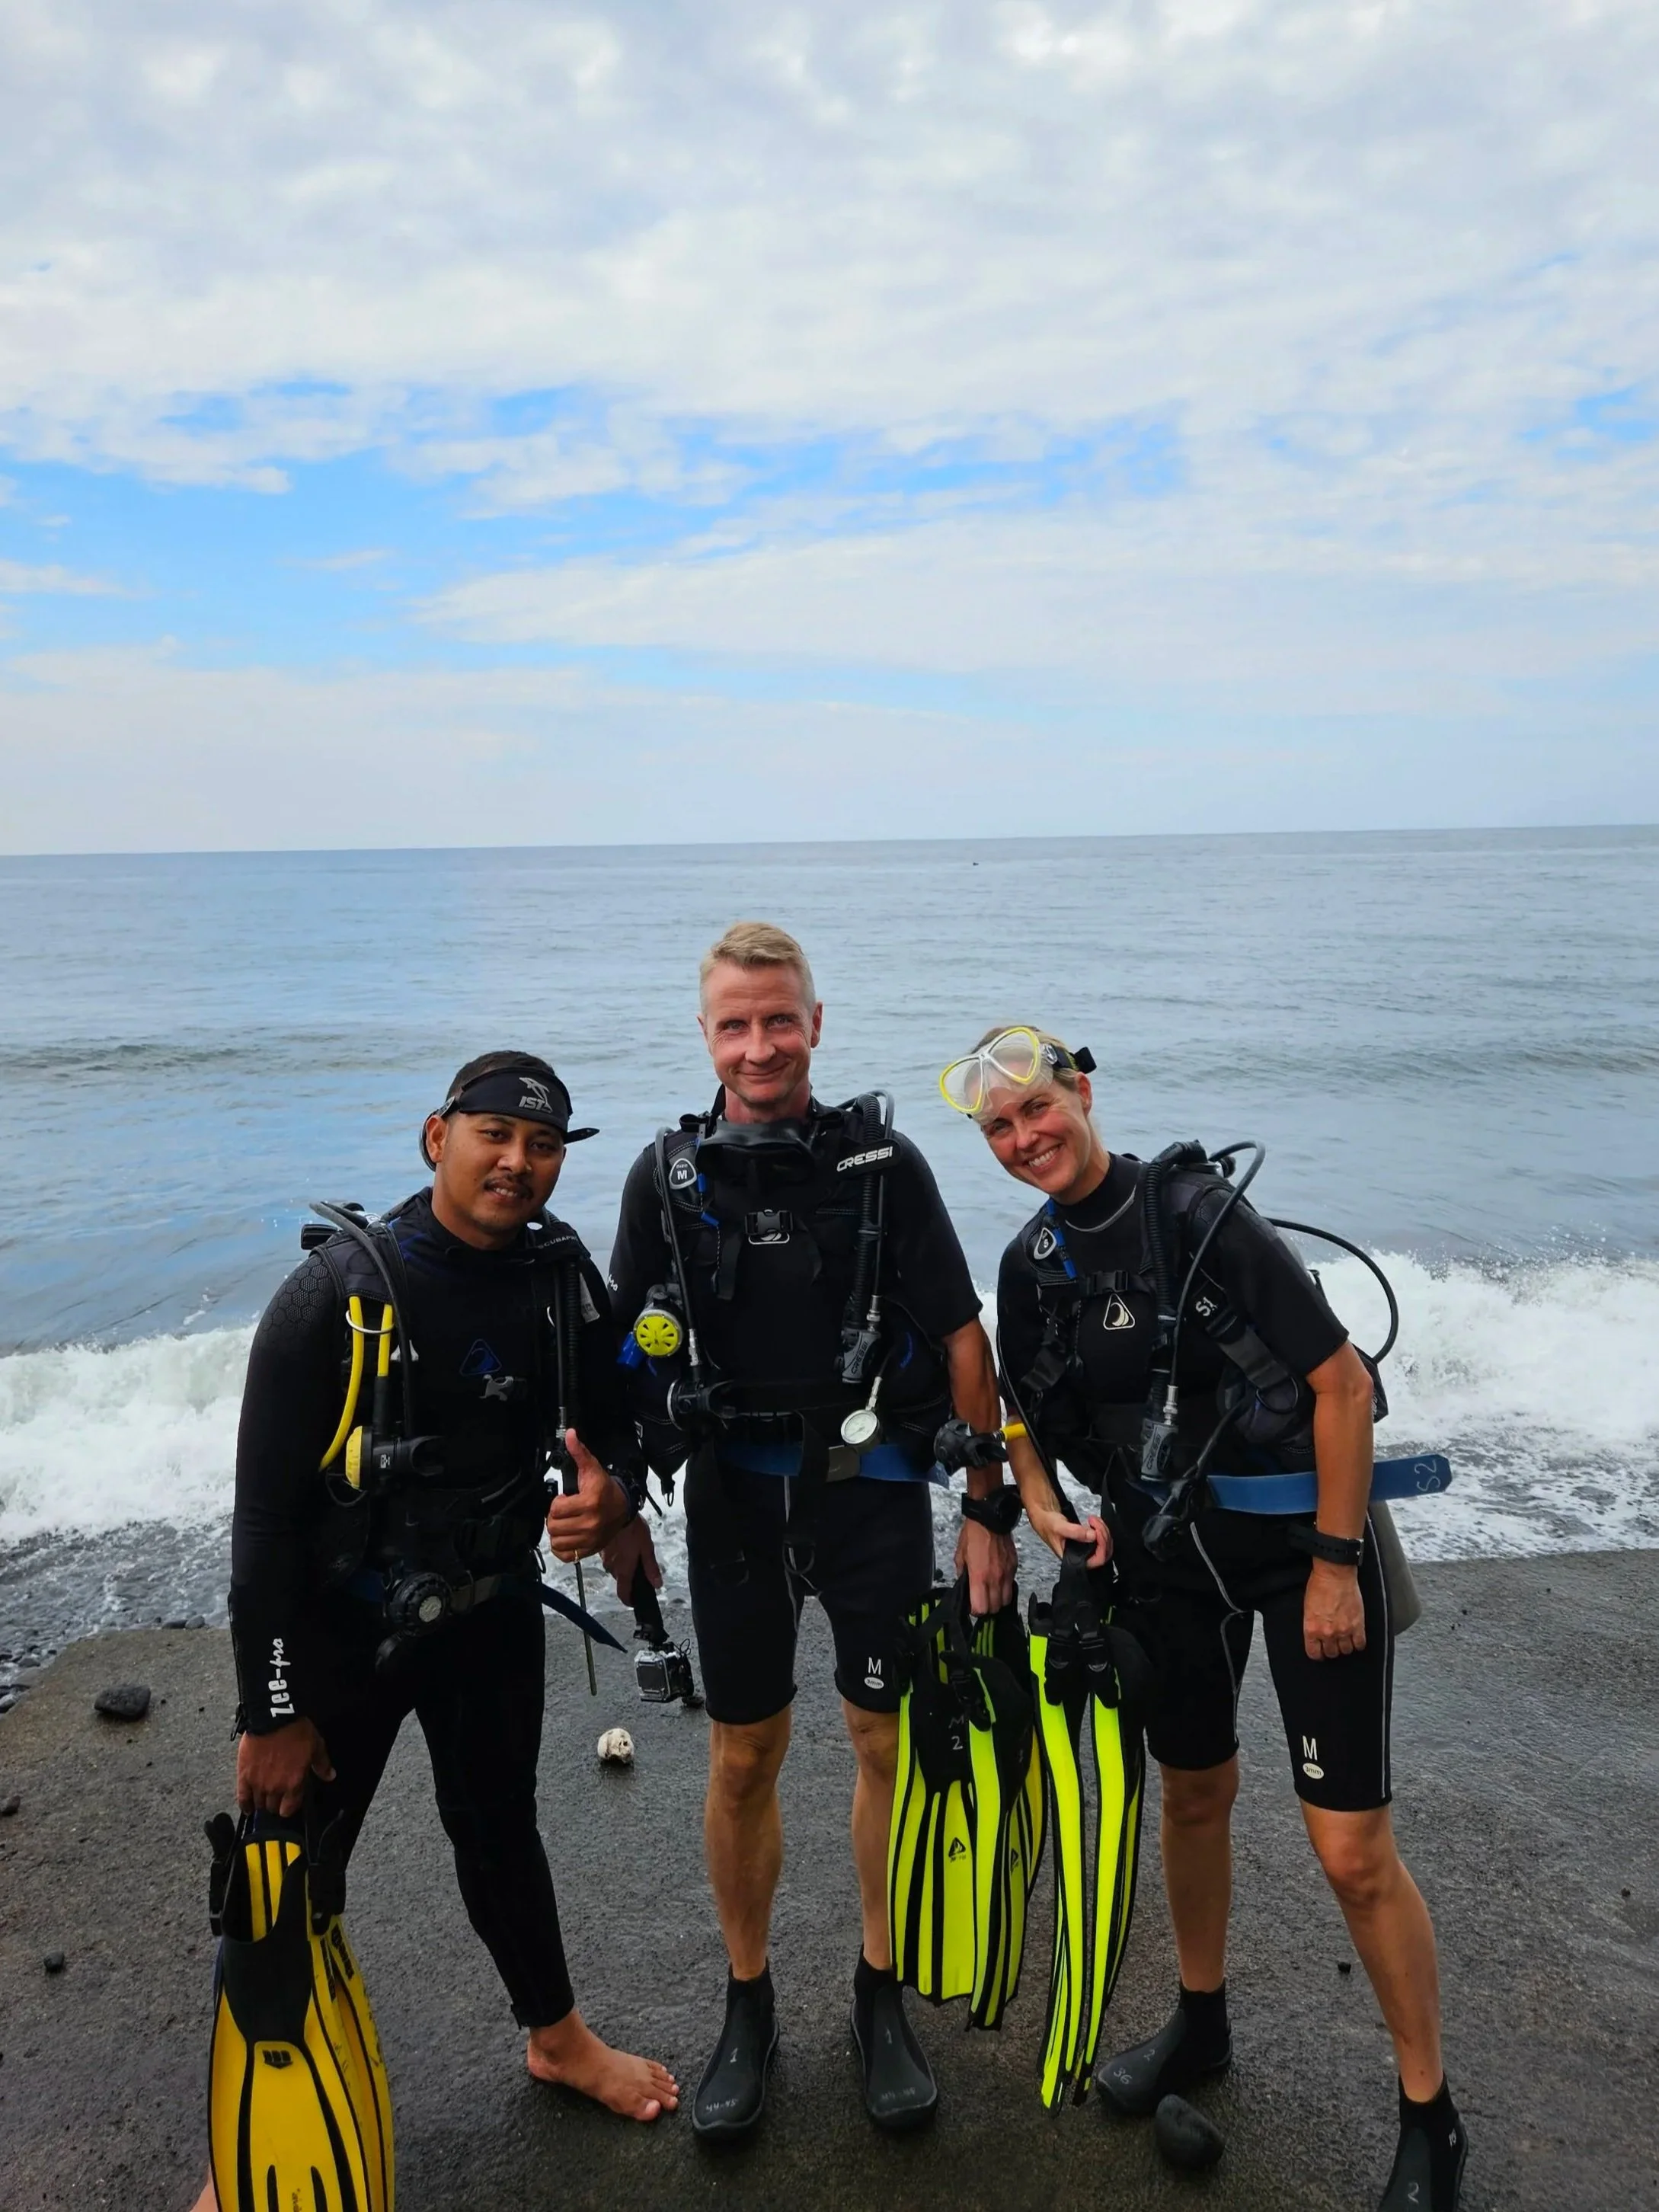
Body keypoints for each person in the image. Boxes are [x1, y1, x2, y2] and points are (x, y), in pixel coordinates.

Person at [941, 1024, 1465, 2212]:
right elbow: (1018, 1407)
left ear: (1082, 1091)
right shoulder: (1030, 1266)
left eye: (1038, 1108)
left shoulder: (1196, 1215)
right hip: (1169, 1562)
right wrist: (1034, 1502)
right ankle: (1201, 2022)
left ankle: (1429, 2112)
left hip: (1299, 1546)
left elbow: (1339, 1387)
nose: (1026, 1138)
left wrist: (1336, 1564)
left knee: (1348, 1848)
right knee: (1191, 1792)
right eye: (999, 1128)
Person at [193, 1050, 678, 2210]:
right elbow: (260, 1526)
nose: (518, 1162)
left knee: (500, 1830)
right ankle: (247, 2136)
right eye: (493, 1136)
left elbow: (619, 1419)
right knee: (288, 1873)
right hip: (337, 1636)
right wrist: (269, 1710)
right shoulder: (339, 1296)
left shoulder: (562, 1283)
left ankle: (555, 2038)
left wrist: (615, 1502)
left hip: (491, 1612)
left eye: (543, 1145)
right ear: (435, 1137)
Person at [603, 923, 1015, 2140]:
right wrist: (614, 1492)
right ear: (705, 1035)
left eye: (779, 1019)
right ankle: (749, 2002)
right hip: (734, 1498)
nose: (760, 1043)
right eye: (735, 1022)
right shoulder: (662, 1179)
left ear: (817, 1024)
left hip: (871, 1490)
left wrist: (987, 1505)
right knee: (743, 1758)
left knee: (878, 1737)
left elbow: (960, 1338)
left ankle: (875, 1993)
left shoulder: (883, 1165)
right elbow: (622, 1354)